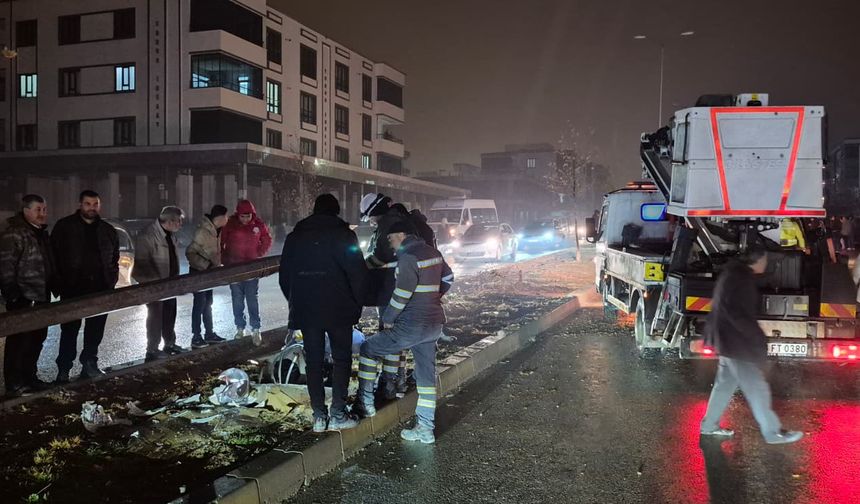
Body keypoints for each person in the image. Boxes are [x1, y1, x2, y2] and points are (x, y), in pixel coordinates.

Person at [356, 220, 454, 444]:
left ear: (401, 235)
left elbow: (401, 294)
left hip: (411, 325)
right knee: (426, 377)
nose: (390, 245)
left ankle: (366, 402)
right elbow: (448, 278)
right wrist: (433, 298)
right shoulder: (433, 252)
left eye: (390, 239)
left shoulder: (408, 258)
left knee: (368, 348)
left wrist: (388, 318)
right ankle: (425, 428)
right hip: (433, 325)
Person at [279, 194, 368, 432]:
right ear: (336, 212)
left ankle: (319, 416)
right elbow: (358, 275)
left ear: (314, 211)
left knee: (314, 362)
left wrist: (296, 302)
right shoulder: (345, 236)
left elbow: (284, 277)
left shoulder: (294, 238)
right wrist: (356, 305)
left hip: (307, 310)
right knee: (341, 359)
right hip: (339, 309)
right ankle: (338, 412)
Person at [700, 246, 803, 444]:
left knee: (724, 385)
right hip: (736, 343)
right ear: (757, 261)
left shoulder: (732, 274)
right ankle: (773, 433)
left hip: (726, 340)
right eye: (764, 259)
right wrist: (758, 340)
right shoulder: (742, 280)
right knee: (757, 387)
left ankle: (709, 426)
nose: (766, 263)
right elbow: (739, 315)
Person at [51, 190, 119, 382]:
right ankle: (63, 369)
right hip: (73, 288)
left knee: (95, 330)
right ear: (80, 204)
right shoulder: (65, 227)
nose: (91, 208)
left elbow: (114, 258)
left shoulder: (107, 230)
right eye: (88, 204)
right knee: (69, 330)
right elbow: (53, 256)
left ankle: (89, 364)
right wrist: (60, 284)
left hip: (100, 288)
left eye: (95, 204)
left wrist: (110, 281)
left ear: (100, 205)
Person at [0, 195, 56, 397]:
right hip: (23, 297)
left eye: (44, 209)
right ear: (26, 210)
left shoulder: (41, 233)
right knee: (19, 341)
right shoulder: (14, 234)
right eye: (38, 209)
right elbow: (6, 266)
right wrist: (13, 295)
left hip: (41, 295)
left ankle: (30, 377)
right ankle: (14, 383)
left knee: (37, 338)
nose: (43, 213)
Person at [359, 193, 410, 399]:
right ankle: (399, 377)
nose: (370, 220)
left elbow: (381, 256)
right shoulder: (397, 221)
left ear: (375, 211)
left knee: (390, 334)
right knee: (399, 336)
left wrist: (361, 266)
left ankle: (389, 384)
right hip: (396, 287)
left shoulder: (389, 225)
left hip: (390, 288)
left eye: (370, 216)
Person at [133, 206, 188, 361]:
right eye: (178, 221)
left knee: (170, 315)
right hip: (155, 286)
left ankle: (169, 344)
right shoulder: (148, 235)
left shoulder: (169, 235)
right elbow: (141, 265)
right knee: (155, 317)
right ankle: (152, 349)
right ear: (169, 221)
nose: (180, 225)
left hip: (169, 284)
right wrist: (154, 284)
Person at [221, 199, 272, 346]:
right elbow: (221, 242)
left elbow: (267, 238)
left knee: (252, 298)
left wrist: (260, 252)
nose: (245, 219)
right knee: (237, 298)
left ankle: (256, 329)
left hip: (251, 268)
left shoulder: (258, 224)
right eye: (242, 216)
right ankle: (240, 327)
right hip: (234, 268)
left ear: (252, 214)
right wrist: (225, 259)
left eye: (248, 216)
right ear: (238, 215)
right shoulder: (230, 224)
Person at [186, 204, 229, 349]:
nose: (227, 219)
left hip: (209, 274)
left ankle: (209, 333)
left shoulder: (217, 231)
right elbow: (190, 252)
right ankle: (196, 336)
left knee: (208, 303)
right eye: (226, 216)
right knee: (199, 304)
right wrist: (205, 265)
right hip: (199, 273)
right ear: (220, 218)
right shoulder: (202, 232)